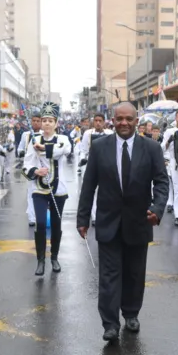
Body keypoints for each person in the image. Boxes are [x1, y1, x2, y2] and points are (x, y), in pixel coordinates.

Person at [77, 102, 170, 342]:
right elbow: (89, 185)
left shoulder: (151, 148)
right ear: (113, 120)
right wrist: (83, 218)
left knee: (134, 273)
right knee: (109, 275)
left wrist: (157, 209)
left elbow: (161, 182)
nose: (124, 123)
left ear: (136, 121)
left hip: (139, 221)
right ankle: (109, 323)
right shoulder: (99, 148)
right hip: (108, 222)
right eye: (119, 119)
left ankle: (131, 313)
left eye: (129, 119)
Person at [22, 102, 72, 276]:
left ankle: (54, 258)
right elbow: (26, 165)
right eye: (44, 120)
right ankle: (40, 260)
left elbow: (65, 150)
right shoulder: (33, 140)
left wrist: (44, 148)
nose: (47, 123)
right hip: (39, 190)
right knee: (41, 223)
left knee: (56, 225)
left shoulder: (63, 139)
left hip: (58, 190)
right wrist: (36, 170)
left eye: (51, 120)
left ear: (56, 123)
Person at [80, 113, 114, 225]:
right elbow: (83, 150)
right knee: (92, 192)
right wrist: (83, 160)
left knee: (106, 191)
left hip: (106, 166)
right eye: (96, 120)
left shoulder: (110, 133)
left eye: (100, 121)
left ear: (104, 122)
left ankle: (106, 214)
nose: (98, 123)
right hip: (91, 165)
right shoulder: (87, 134)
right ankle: (94, 217)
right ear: (93, 122)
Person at [17, 114, 43, 227]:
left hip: (43, 166)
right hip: (31, 166)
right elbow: (20, 148)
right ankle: (32, 218)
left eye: (38, 121)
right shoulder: (25, 135)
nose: (36, 123)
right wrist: (21, 152)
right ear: (31, 122)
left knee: (43, 192)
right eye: (34, 121)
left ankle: (42, 215)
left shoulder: (45, 134)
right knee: (31, 192)